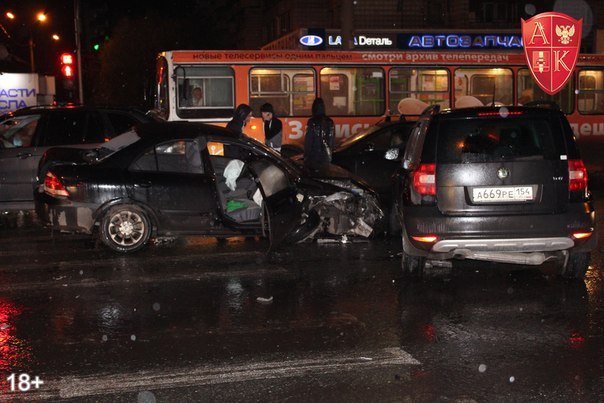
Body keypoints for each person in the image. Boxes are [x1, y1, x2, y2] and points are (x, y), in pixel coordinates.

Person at [304, 98, 335, 170]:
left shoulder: (312, 122)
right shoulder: (330, 122)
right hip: (326, 157)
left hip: (313, 157)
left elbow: (308, 141)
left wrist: (306, 156)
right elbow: (331, 141)